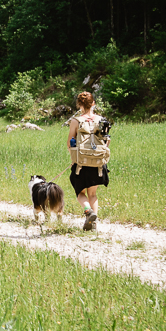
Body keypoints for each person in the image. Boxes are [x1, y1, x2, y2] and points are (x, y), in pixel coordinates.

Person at [67, 91, 109, 231]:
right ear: (93, 103)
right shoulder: (102, 120)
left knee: (80, 193)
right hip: (98, 164)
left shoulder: (76, 121)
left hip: (81, 164)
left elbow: (70, 144)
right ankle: (94, 222)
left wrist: (75, 159)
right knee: (93, 194)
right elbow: (106, 141)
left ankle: (88, 211)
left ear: (79, 104)